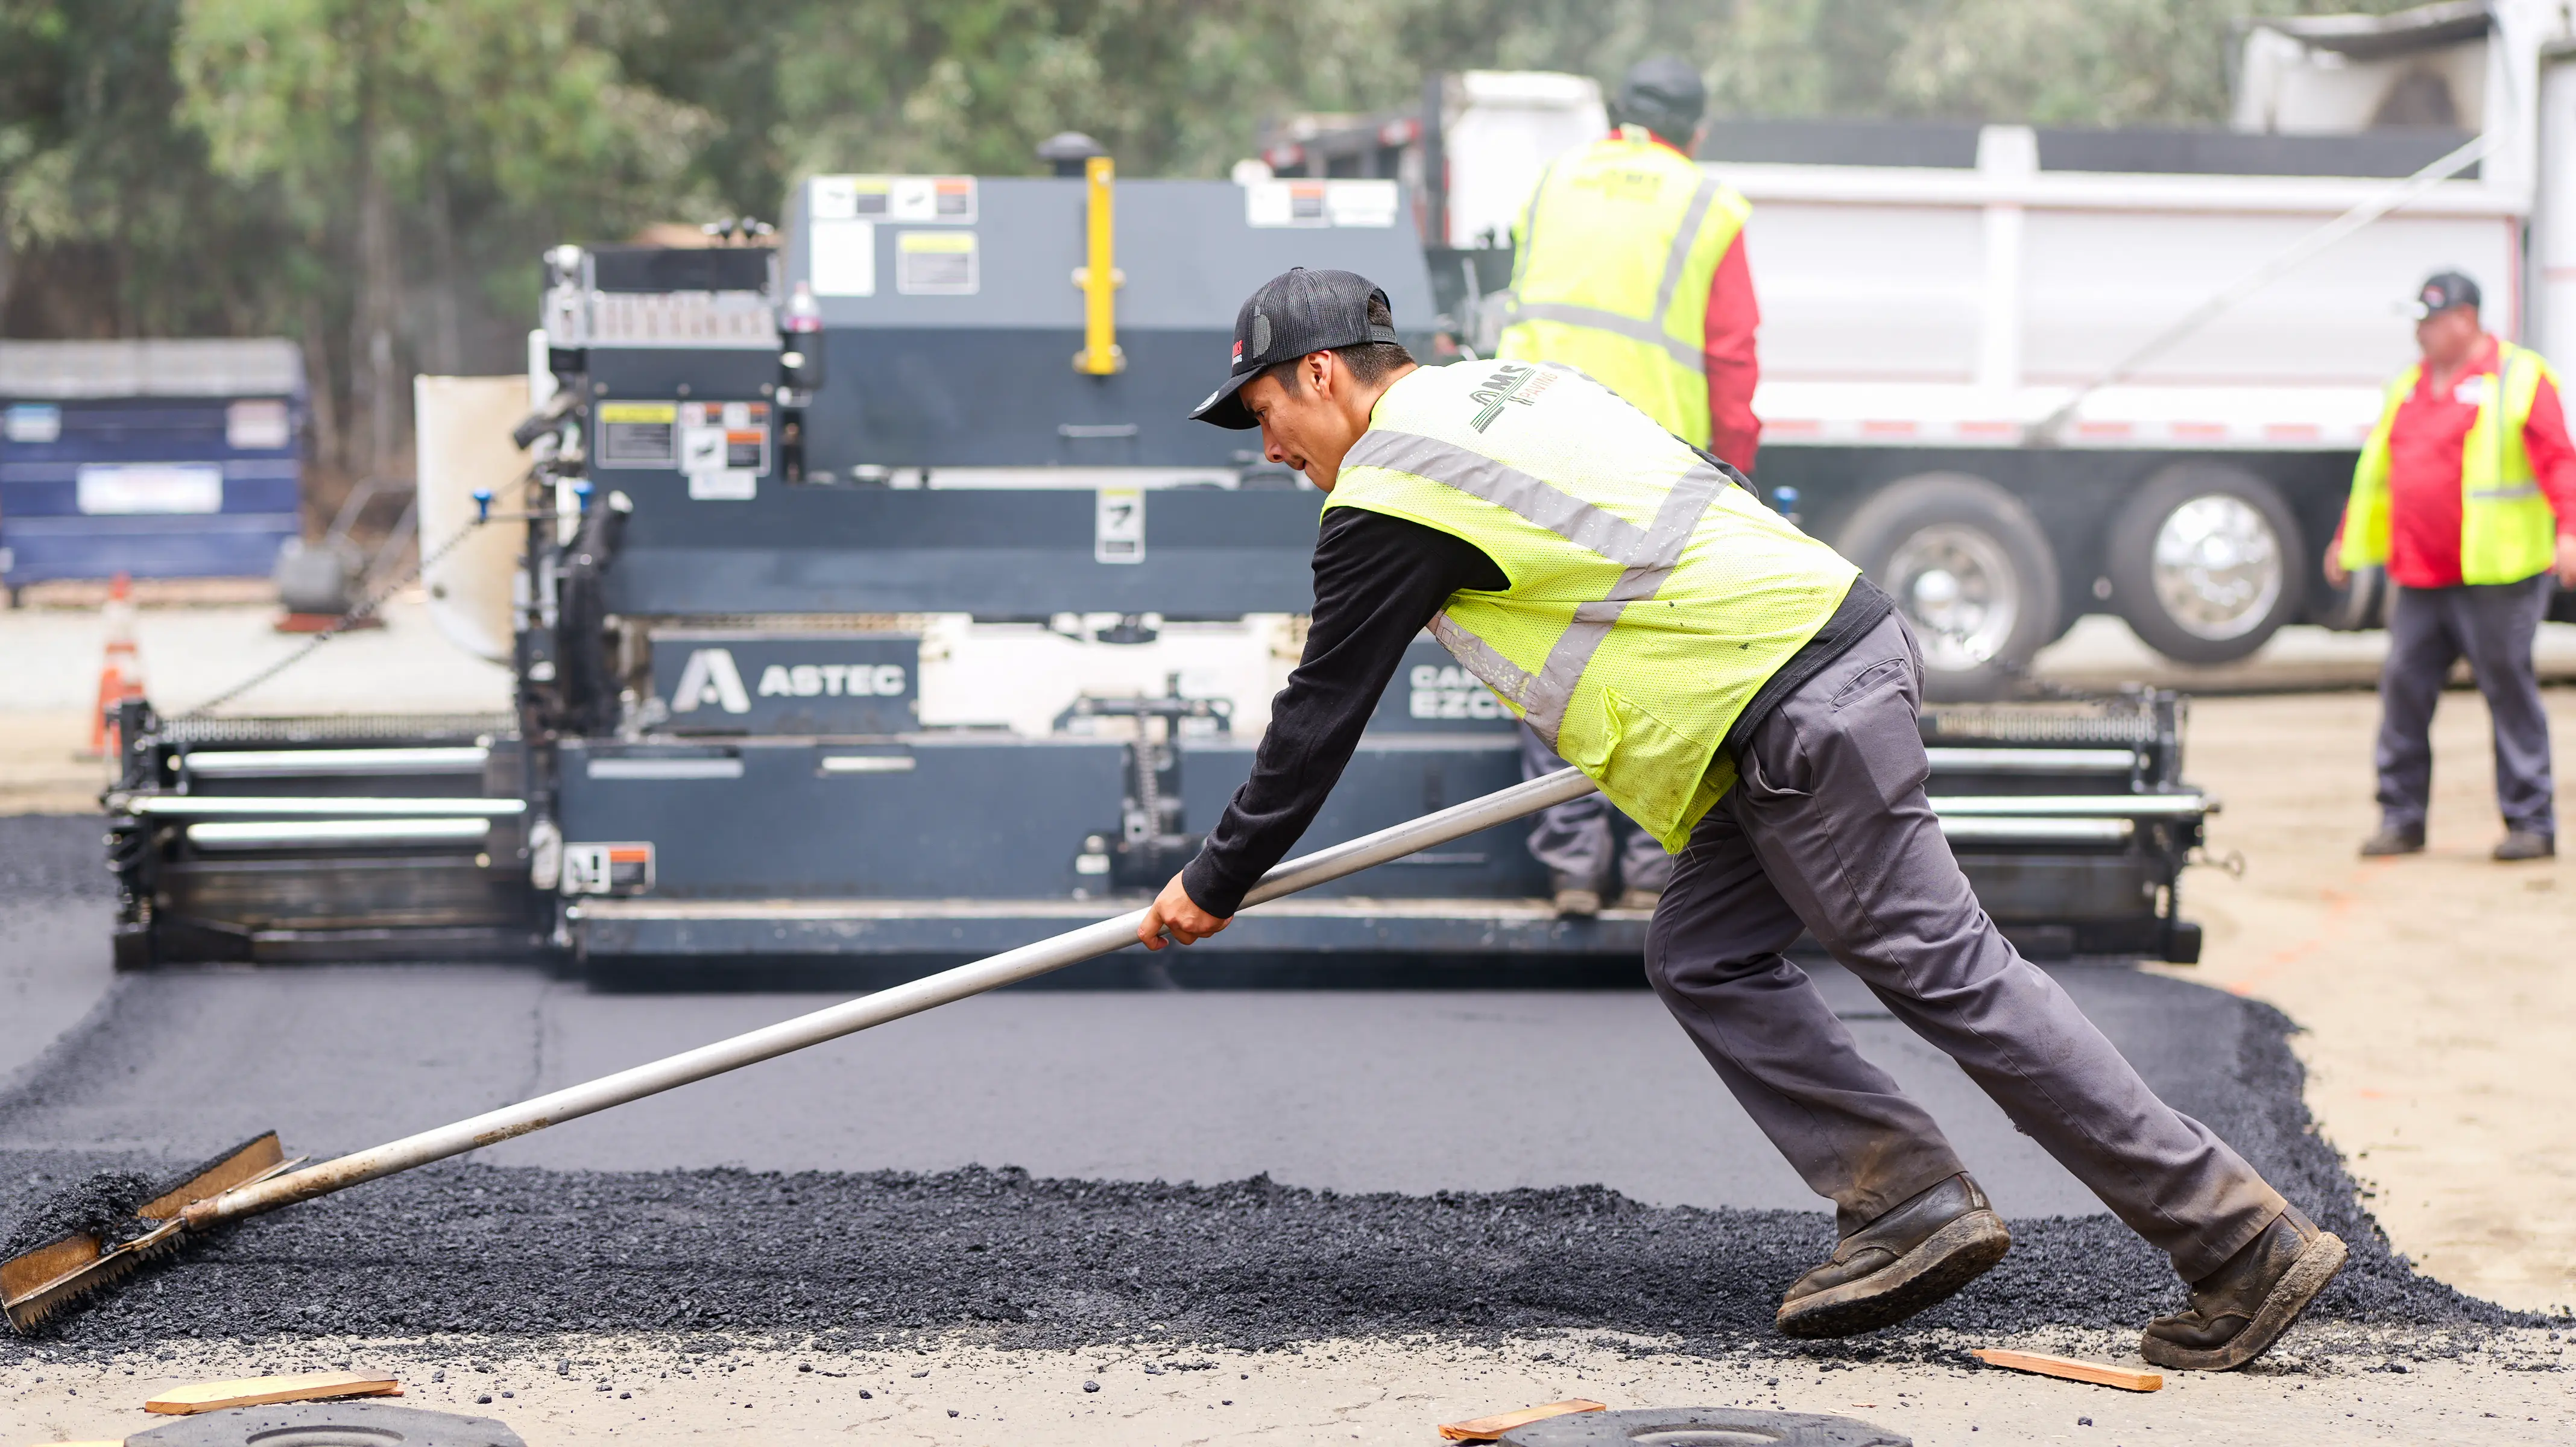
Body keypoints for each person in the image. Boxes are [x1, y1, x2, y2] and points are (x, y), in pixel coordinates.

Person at [1149, 266, 2346, 1371]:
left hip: (1788, 710)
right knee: (1706, 953)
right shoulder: (1509, 390)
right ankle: (1906, 1199)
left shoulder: (1390, 489)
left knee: (1953, 977)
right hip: (1799, 681)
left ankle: (2237, 1240)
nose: (1270, 449)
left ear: (1320, 372)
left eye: (1263, 413)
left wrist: (1217, 876)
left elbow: (1321, 713)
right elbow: (1703, 485)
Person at [1495, 54, 1763, 916]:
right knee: (1663, 660)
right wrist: (1742, 468)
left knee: (1547, 653)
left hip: (1536, 450)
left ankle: (1573, 867)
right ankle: (1654, 870)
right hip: (1654, 468)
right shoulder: (1707, 203)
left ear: (1616, 115)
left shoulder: (1553, 182)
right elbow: (1731, 352)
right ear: (1698, 129)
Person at [2326, 271, 2576, 862]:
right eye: (2419, 321)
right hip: (2421, 574)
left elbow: (2558, 460)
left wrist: (2570, 531)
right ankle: (2401, 817)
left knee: (2507, 688)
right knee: (2405, 690)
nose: (2422, 332)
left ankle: (2531, 823)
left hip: (2498, 575)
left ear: (2467, 320)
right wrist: (2347, 542)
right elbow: (2378, 478)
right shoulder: (2408, 387)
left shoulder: (2518, 378)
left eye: (2432, 320)